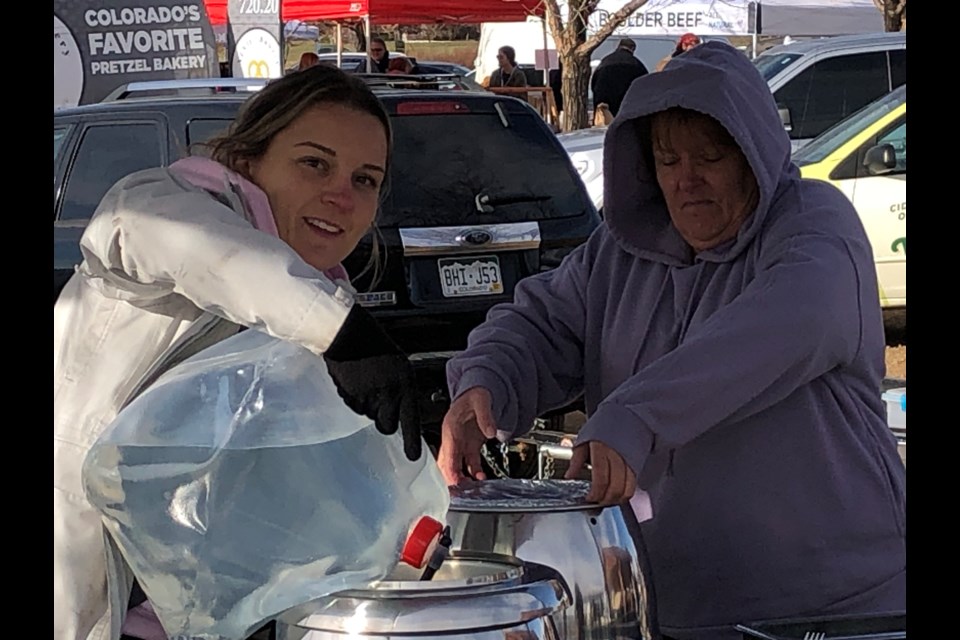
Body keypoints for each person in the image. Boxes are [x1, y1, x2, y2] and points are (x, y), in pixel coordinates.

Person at [437, 42, 905, 639]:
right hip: (668, 608)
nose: (686, 181)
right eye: (666, 160)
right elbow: (541, 322)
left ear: (753, 155)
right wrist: (485, 382)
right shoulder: (620, 250)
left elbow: (783, 328)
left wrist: (637, 415)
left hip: (831, 608)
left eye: (709, 158)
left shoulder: (816, 223)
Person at [54, 65, 424, 640]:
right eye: (314, 163)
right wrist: (341, 331)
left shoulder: (316, 302)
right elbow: (193, 249)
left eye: (366, 179)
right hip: (85, 593)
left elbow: (292, 482)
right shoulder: (163, 204)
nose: (341, 194)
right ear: (250, 160)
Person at [590, 38, 649, 117]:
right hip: (627, 107)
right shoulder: (637, 64)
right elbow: (644, 87)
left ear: (618, 46)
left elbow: (594, 82)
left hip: (604, 107)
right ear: (633, 49)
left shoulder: (605, 62)